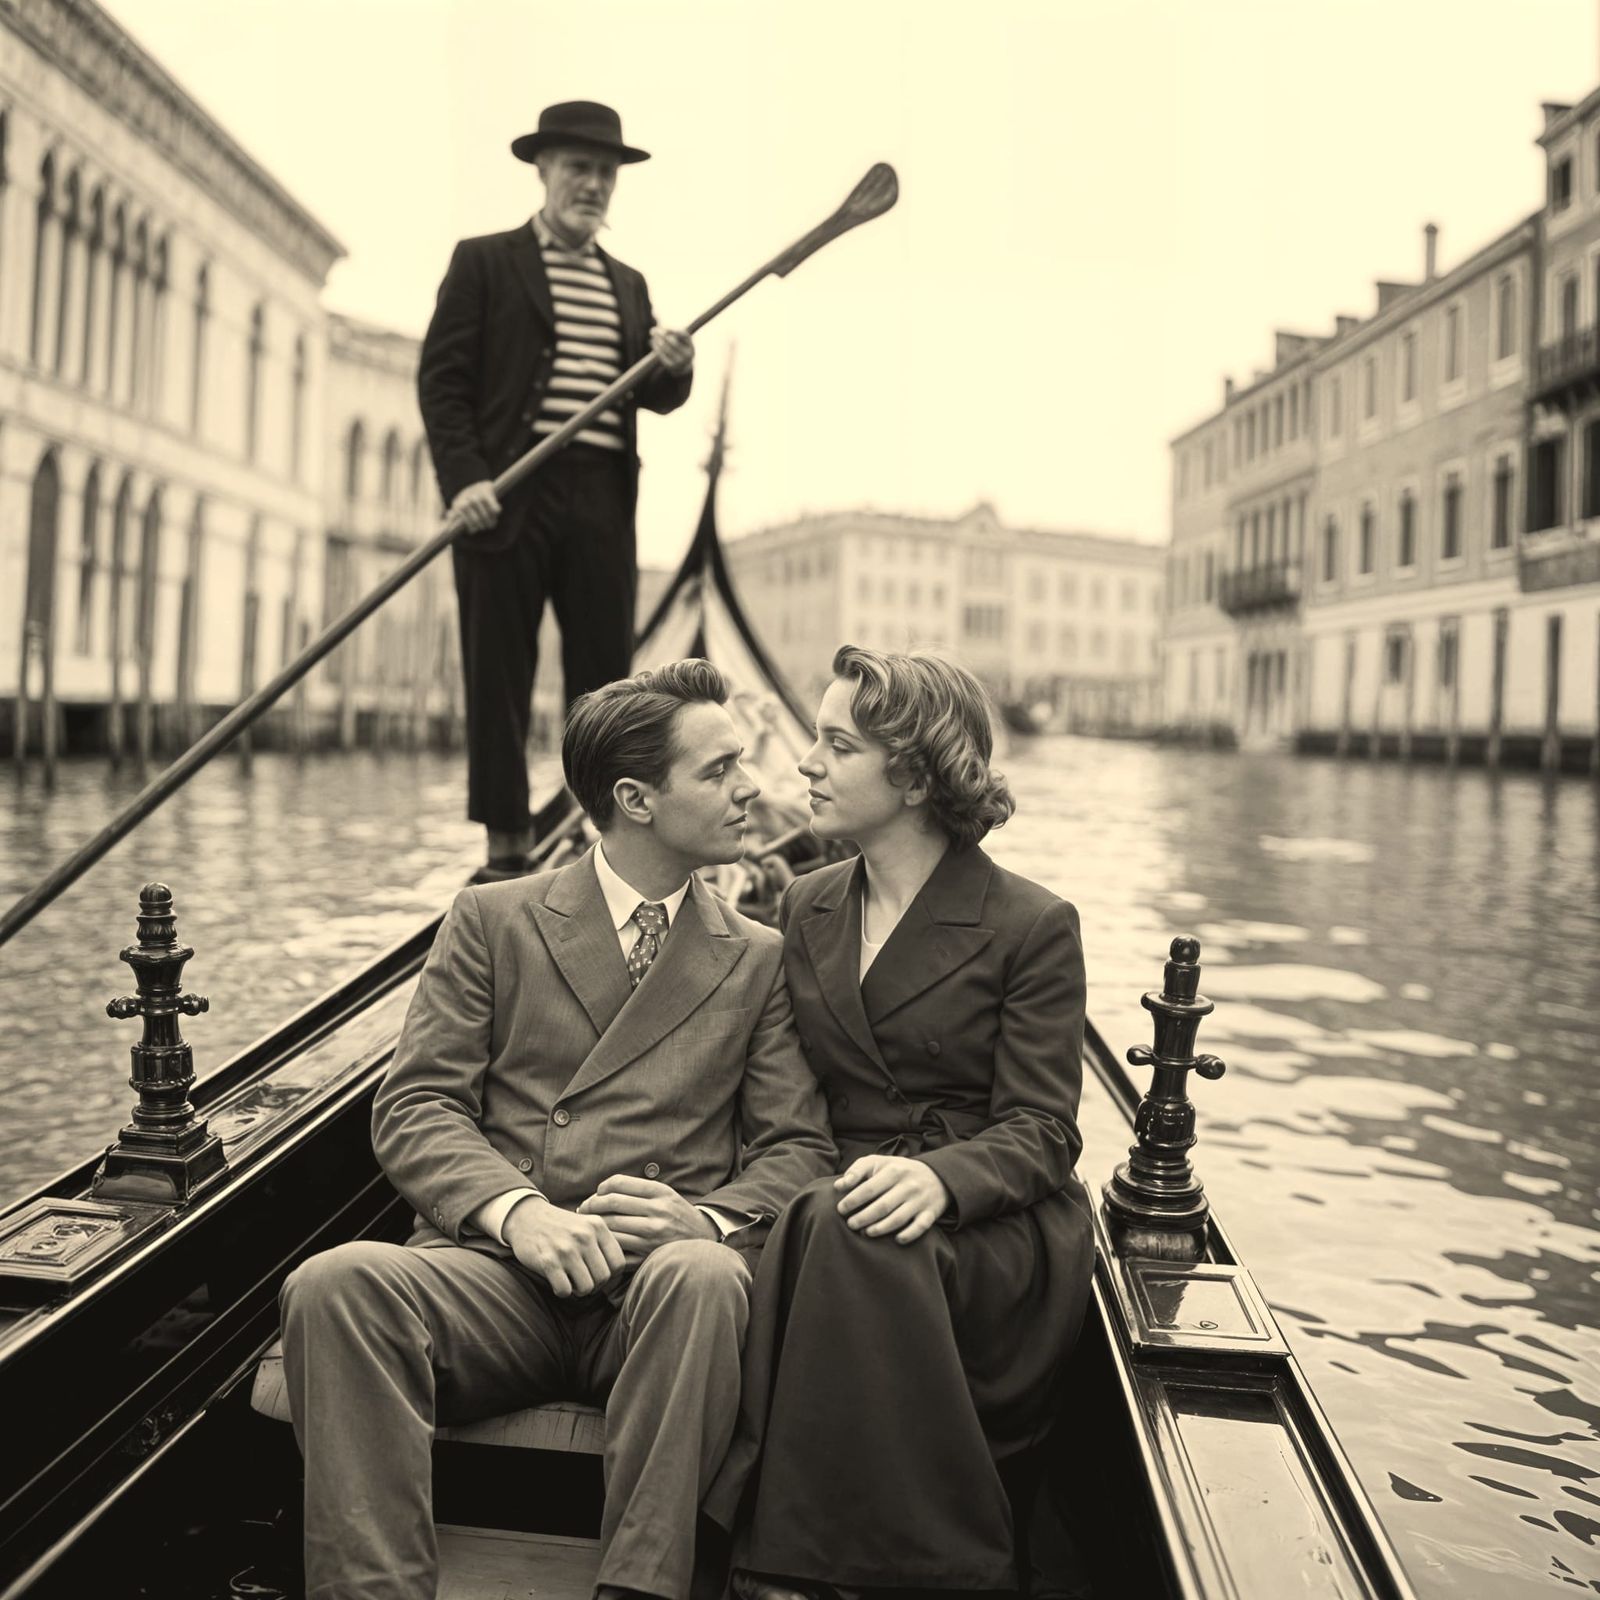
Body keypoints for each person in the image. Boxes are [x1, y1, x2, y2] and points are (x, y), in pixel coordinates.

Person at [278, 659, 836, 1600]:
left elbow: (799, 1150)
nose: (752, 788)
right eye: (719, 769)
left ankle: (639, 1590)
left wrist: (700, 1221)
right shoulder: (492, 920)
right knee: (332, 1285)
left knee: (705, 1278)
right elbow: (417, 1106)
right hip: (497, 1281)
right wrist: (517, 1212)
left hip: (650, 1295)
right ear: (635, 800)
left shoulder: (759, 956)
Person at [706, 645, 1095, 1597]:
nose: (805, 764)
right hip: (834, 1199)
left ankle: (806, 1565)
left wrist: (938, 1180)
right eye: (815, 740)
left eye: (838, 746)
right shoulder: (806, 904)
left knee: (850, 1227)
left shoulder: (1033, 924)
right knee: (827, 1222)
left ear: (916, 777)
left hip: (984, 1222)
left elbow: (1044, 1130)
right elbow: (784, 1093)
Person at [417, 100, 696, 879]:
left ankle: (596, 840)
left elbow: (654, 394)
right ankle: (507, 850)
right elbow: (442, 383)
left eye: (606, 172)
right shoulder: (484, 261)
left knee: (607, 686)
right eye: (579, 168)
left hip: (601, 499)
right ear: (543, 170)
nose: (593, 184)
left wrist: (675, 366)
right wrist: (465, 480)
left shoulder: (628, 284)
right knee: (498, 675)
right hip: (507, 494)